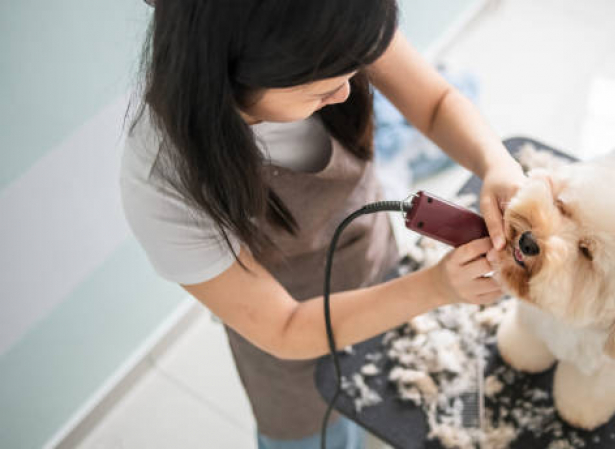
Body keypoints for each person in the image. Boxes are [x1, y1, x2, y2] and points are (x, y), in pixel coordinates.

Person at [121, 1, 527, 447]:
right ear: (234, 73)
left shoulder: (335, 17)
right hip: (290, 347)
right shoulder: (164, 178)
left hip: (377, 266)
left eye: (353, 72)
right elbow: (285, 328)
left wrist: (496, 162)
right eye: (321, 91)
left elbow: (435, 102)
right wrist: (436, 288)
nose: (347, 95)